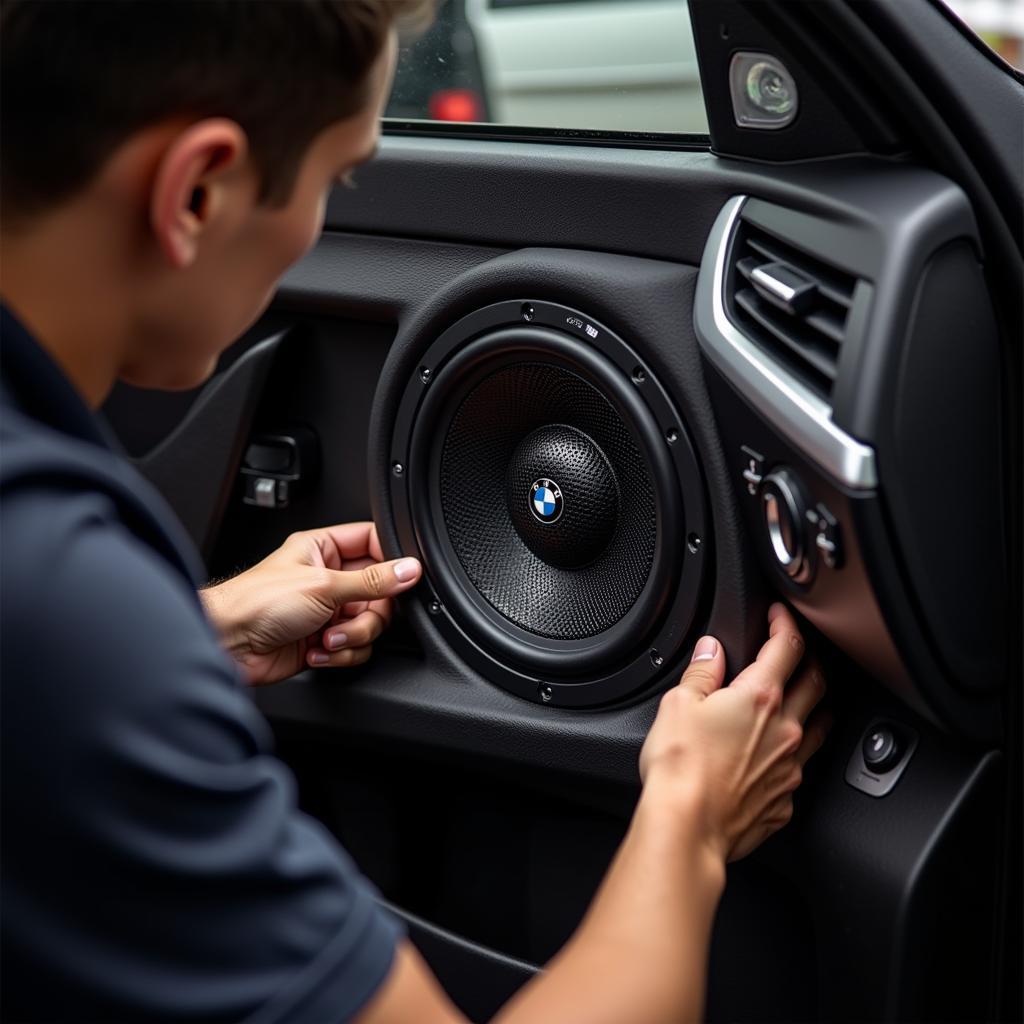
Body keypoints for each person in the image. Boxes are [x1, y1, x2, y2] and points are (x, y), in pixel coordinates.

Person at [0, 1, 830, 1021]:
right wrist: (690, 821)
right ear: (198, 191)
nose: (321, 223)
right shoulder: (62, 604)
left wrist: (195, 634)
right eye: (338, 177)